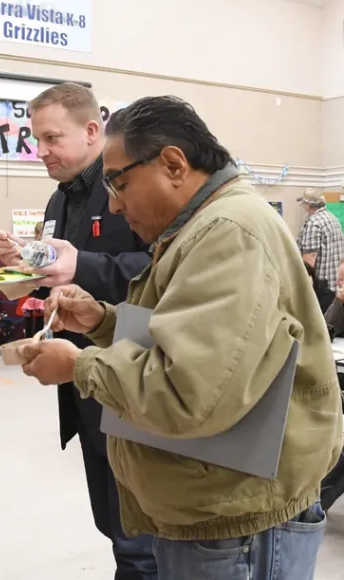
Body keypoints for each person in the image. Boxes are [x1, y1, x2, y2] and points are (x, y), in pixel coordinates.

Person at [18, 96, 343, 580]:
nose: (113, 202)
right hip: (216, 508)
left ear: (173, 163)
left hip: (236, 526)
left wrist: (78, 366)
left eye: (120, 182)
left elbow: (189, 389)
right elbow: (191, 335)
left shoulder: (228, 232)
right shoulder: (202, 224)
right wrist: (102, 321)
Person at [0, 83, 156, 579]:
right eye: (34, 139)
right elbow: (58, 272)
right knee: (110, 520)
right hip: (82, 379)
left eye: (50, 138)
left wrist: (79, 266)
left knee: (139, 535)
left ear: (92, 131)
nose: (39, 151)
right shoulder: (58, 201)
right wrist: (21, 268)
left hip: (133, 373)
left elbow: (159, 267)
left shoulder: (131, 188)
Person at [297, 187, 344, 290]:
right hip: (337, 285)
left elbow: (309, 262)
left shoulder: (314, 223)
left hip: (321, 287)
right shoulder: (334, 219)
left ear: (308, 205)